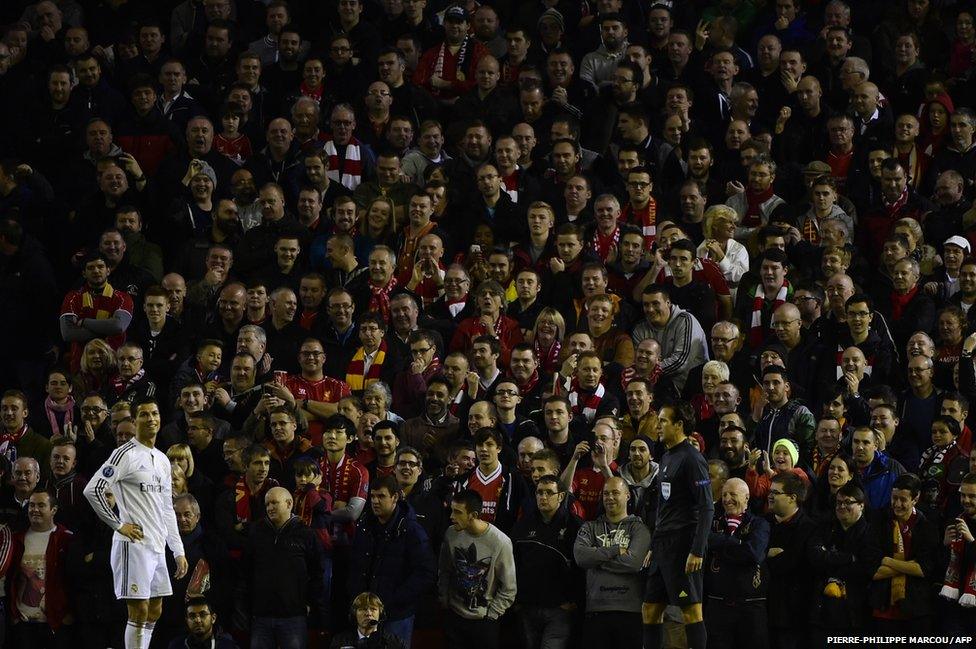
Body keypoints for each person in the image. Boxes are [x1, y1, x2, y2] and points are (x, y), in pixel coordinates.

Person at [83, 398, 188, 649]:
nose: (151, 418)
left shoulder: (162, 459)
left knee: (155, 609)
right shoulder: (124, 454)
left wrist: (178, 550)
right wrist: (119, 525)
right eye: (144, 414)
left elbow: (166, 509)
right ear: (134, 420)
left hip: (156, 545)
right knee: (138, 610)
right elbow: (92, 490)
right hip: (133, 545)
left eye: (155, 413)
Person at [642, 400, 713, 649]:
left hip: (683, 545)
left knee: (691, 612)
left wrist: (697, 550)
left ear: (679, 425)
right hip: (663, 545)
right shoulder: (666, 456)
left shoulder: (693, 459)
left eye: (663, 421)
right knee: (650, 609)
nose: (658, 425)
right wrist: (654, 544)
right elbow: (664, 505)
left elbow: (706, 507)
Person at [348, 475, 436, 645]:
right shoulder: (365, 525)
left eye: (381, 496)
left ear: (395, 497)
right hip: (365, 611)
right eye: (372, 496)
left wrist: (394, 600)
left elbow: (426, 572)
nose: (375, 501)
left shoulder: (411, 530)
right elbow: (355, 564)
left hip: (396, 614)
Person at [573, 476, 650, 646]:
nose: (610, 497)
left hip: (630, 612)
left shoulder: (639, 528)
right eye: (606, 493)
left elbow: (634, 563)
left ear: (627, 495)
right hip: (596, 611)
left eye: (615, 493)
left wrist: (597, 558)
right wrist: (616, 550)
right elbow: (581, 557)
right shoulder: (590, 527)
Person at [247, 486, 326, 646]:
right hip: (261, 617)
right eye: (267, 504)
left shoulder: (306, 534)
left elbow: (317, 573)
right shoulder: (256, 532)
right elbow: (247, 570)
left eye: (274, 503)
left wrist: (309, 603)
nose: (270, 508)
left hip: (294, 617)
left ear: (289, 504)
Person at [438, 488, 516, 649]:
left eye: (458, 512)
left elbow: (509, 588)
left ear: (473, 515)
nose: (452, 516)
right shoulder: (451, 533)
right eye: (452, 510)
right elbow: (444, 570)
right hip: (454, 615)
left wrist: (491, 615)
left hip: (483, 622)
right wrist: (444, 599)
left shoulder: (500, 542)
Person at [166, 596, 238, 649]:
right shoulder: (176, 645)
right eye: (192, 616)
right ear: (187, 621)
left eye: (203, 615)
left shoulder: (227, 645)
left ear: (213, 618)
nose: (198, 620)